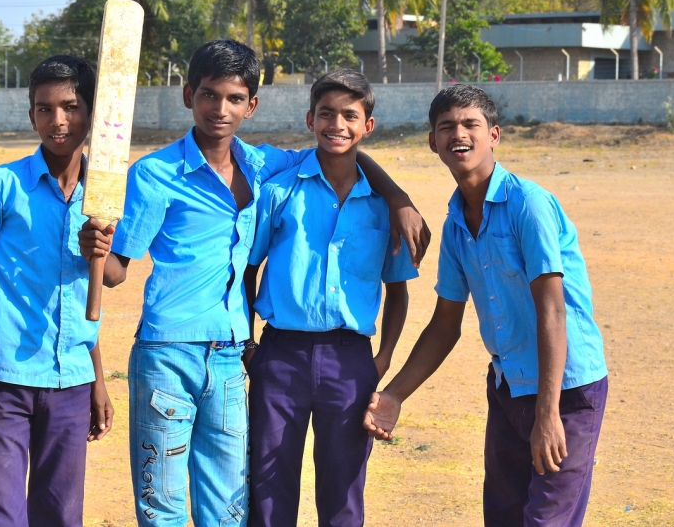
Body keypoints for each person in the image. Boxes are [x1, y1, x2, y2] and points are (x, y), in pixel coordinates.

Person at [79, 40, 429, 527]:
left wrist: (397, 196)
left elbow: (340, 151)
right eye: (208, 95)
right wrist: (95, 250)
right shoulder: (154, 174)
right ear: (188, 96)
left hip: (229, 357)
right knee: (164, 503)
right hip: (169, 349)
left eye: (234, 98)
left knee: (230, 505)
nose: (219, 109)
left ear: (252, 105)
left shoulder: (265, 167)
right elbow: (116, 271)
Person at [364, 84, 608, 527]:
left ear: (493, 134)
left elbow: (552, 312)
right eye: (447, 127)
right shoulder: (456, 223)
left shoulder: (527, 205)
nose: (459, 134)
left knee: (546, 520)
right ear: (433, 142)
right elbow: (444, 326)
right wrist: (394, 396)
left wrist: (548, 415)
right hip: (508, 387)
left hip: (566, 392)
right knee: (502, 516)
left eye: (470, 124)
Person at [243, 70, 418, 527]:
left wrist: (382, 358)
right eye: (326, 114)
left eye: (349, 115)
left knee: (342, 489)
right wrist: (249, 346)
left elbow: (396, 290)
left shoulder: (383, 206)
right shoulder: (280, 191)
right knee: (267, 485)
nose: (336, 124)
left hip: (351, 360)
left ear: (367, 127)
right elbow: (247, 270)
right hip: (279, 355)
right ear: (309, 119)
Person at [0, 55, 114, 527]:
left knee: (61, 514)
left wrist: (96, 380)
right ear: (31, 116)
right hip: (3, 379)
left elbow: (78, 296)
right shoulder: (1, 185)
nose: (58, 120)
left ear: (92, 114)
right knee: (1, 514)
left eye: (70, 106)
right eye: (44, 109)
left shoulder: (103, 199)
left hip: (70, 383)